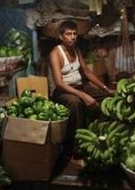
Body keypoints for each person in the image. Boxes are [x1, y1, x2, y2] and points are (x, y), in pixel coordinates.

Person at [48, 20, 114, 163]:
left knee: (107, 98)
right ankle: (74, 151)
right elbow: (59, 84)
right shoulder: (55, 53)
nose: (72, 37)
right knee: (76, 103)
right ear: (61, 36)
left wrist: (105, 88)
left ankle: (97, 136)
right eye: (68, 34)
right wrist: (83, 95)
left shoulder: (76, 50)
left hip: (79, 87)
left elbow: (87, 72)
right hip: (63, 92)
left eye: (74, 34)